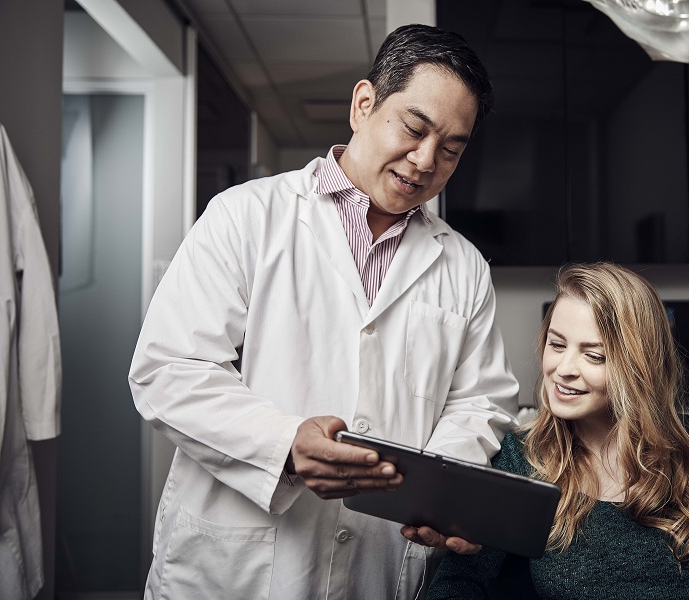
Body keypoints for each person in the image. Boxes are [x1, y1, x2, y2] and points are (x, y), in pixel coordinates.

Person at [128, 24, 519, 600]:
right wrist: (284, 444)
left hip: (376, 563)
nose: (425, 160)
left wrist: (442, 495)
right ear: (364, 104)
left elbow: (479, 402)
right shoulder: (244, 216)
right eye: (414, 129)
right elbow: (168, 370)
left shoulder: (463, 266)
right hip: (234, 571)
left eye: (452, 149)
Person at [428, 262, 689, 600]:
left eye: (594, 355)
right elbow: (459, 584)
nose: (564, 369)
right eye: (557, 345)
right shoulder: (522, 458)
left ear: (638, 366)